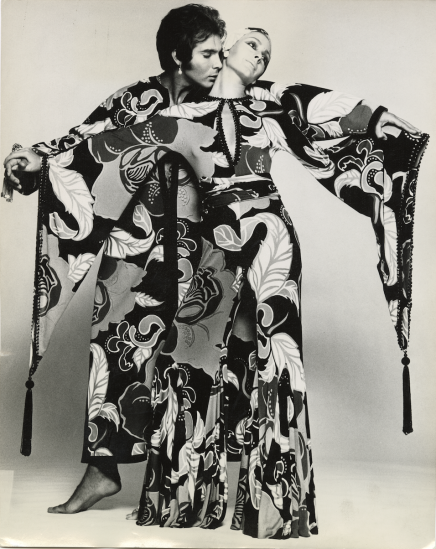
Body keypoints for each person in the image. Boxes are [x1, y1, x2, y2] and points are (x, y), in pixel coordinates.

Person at [17, 25, 428, 538]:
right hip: (197, 247)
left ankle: (274, 504)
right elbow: (99, 144)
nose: (255, 56)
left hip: (269, 241)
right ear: (208, 51)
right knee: (184, 357)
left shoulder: (271, 106)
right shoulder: (168, 113)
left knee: (275, 361)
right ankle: (175, 496)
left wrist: (389, 128)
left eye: (264, 53)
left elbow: (334, 118)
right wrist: (40, 159)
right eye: (246, 45)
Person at [3, 3, 226, 514]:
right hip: (134, 244)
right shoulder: (134, 100)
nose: (218, 63)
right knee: (115, 349)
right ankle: (102, 473)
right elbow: (81, 145)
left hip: (205, 250)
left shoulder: (222, 105)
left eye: (220, 53)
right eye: (208, 53)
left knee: (194, 356)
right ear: (178, 56)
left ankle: (182, 487)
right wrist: (33, 160)